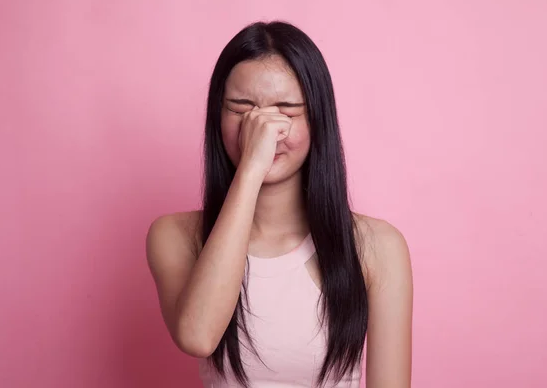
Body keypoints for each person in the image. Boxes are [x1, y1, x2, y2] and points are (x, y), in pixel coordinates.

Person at [146, 20, 413, 388]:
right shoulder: (176, 235)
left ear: (318, 120)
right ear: (217, 116)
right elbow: (198, 336)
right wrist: (252, 167)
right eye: (241, 109)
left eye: (285, 111)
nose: (264, 127)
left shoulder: (377, 246)